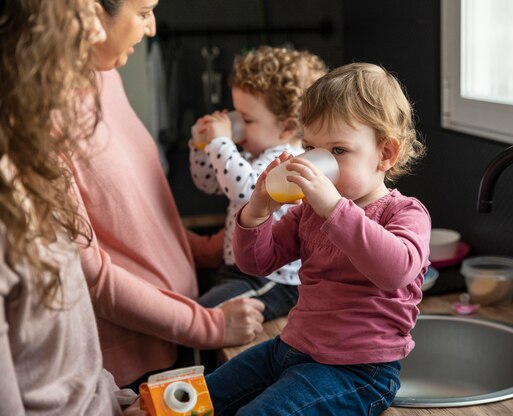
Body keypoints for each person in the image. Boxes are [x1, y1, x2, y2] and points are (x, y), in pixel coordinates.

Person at [204, 63, 431, 415]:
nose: (318, 161)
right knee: (200, 398)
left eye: (338, 151)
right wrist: (258, 209)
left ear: (386, 154)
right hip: (291, 349)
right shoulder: (309, 212)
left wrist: (334, 207)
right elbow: (255, 262)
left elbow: (395, 271)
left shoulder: (404, 213)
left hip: (357, 372)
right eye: (310, 147)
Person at [71, 0, 265, 390]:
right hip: (130, 368)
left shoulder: (105, 76)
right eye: (143, 12)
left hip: (178, 337)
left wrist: (214, 247)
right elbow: (91, 278)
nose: (153, 28)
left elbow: (130, 216)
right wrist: (209, 325)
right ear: (90, 12)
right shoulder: (37, 121)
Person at [0, 0, 142, 414]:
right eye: (78, 18)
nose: (98, 34)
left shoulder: (36, 157)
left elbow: (69, 363)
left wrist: (120, 403)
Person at [189, 46, 327, 320]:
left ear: (287, 127)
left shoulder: (286, 160)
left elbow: (246, 191)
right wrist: (200, 145)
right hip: (240, 269)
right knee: (191, 311)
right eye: (236, 115)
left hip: (273, 279)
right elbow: (210, 183)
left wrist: (221, 142)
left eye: (247, 119)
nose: (237, 125)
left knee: (197, 316)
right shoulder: (256, 153)